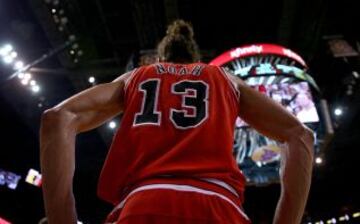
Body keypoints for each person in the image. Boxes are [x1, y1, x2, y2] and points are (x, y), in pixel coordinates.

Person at [40, 20, 314, 224]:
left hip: (143, 203)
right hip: (219, 206)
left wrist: (61, 218)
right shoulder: (225, 79)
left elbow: (58, 117)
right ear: (197, 59)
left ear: (159, 59)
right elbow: (300, 136)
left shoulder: (138, 76)